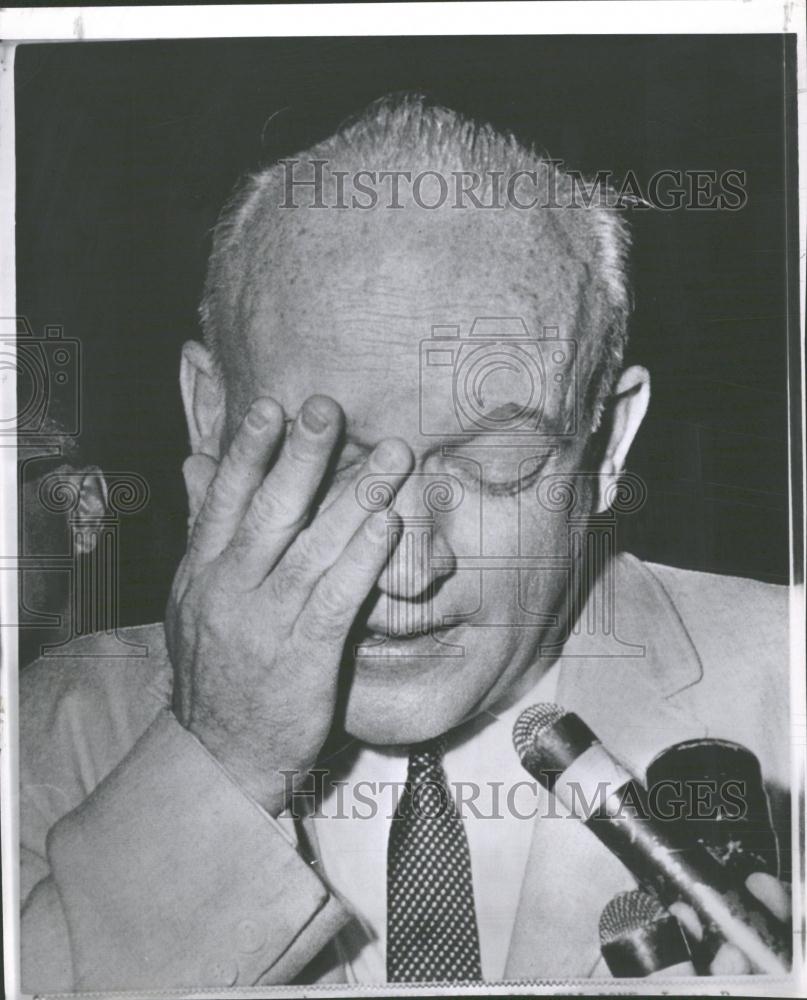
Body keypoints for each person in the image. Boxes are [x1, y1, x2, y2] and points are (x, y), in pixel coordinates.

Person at [19, 94, 790, 991]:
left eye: (499, 460)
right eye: (333, 466)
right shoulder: (51, 733)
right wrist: (220, 759)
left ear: (609, 444)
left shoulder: (789, 686)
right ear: (209, 418)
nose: (409, 571)